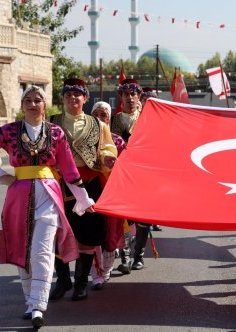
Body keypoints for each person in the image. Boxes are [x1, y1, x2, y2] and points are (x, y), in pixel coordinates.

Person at [0, 86, 94, 329]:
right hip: (17, 198)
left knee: (42, 252)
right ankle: (29, 301)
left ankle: (38, 306)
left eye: (38, 100)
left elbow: (69, 170)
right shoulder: (8, 131)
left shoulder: (56, 133)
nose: (33, 104)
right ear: (22, 105)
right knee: (22, 252)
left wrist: (83, 198)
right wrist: (2, 176)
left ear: (45, 106)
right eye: (28, 100)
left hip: (48, 196)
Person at [48, 78, 118, 302]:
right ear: (63, 98)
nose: (72, 98)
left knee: (88, 234)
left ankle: (80, 284)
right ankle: (62, 280)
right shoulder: (51, 123)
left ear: (85, 98)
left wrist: (108, 158)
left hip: (89, 184)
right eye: (68, 94)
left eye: (77, 94)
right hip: (59, 184)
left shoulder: (98, 125)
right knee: (56, 231)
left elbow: (109, 148)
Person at [111, 79, 158, 271]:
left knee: (143, 218)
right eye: (126, 94)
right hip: (120, 174)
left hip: (143, 174)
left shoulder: (149, 119)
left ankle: (139, 256)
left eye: (133, 94)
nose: (130, 98)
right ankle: (125, 257)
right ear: (120, 97)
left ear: (139, 97)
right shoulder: (114, 121)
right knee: (123, 217)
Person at [89, 101, 127, 288]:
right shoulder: (83, 141)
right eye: (96, 114)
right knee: (92, 233)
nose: (100, 118)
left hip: (112, 193)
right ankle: (96, 274)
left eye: (104, 115)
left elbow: (128, 167)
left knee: (111, 234)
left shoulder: (118, 141)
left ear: (109, 118)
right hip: (90, 191)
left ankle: (107, 268)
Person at [140, 87, 163, 232]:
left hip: (156, 161)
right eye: (145, 100)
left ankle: (154, 219)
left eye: (151, 100)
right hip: (141, 161)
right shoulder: (137, 116)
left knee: (156, 193)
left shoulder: (161, 117)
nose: (148, 102)